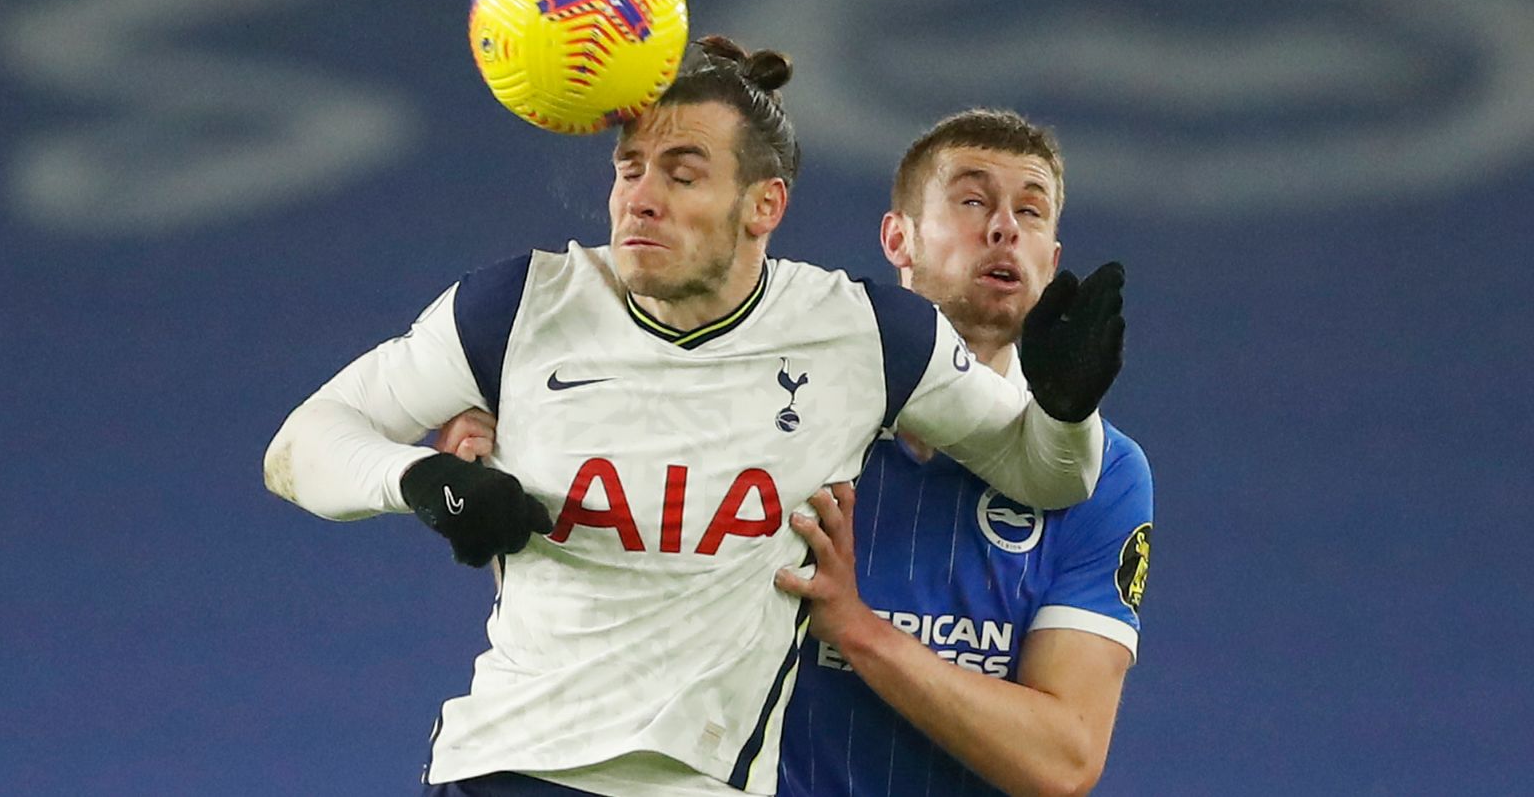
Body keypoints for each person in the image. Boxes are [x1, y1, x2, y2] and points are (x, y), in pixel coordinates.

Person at [264, 40, 1126, 797]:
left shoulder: (863, 333)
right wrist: (419, 480)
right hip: (505, 767)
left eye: (682, 175)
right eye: (630, 169)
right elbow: (301, 445)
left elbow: (1049, 474)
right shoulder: (519, 306)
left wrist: (1067, 407)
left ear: (764, 206)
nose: (642, 198)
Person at [773, 109, 1153, 797]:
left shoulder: (1109, 474)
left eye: (1031, 212)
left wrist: (857, 630)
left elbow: (1061, 761)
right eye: (973, 201)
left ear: (1052, 262)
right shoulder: (791, 418)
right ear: (900, 238)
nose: (1004, 227)